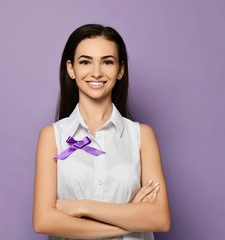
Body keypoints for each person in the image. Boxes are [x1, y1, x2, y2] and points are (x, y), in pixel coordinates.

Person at [33, 24, 171, 239]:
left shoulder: (141, 135)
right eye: (85, 62)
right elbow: (43, 221)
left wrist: (83, 207)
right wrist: (130, 219)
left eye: (107, 62)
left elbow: (160, 218)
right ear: (71, 69)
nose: (96, 72)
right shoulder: (52, 136)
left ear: (120, 70)